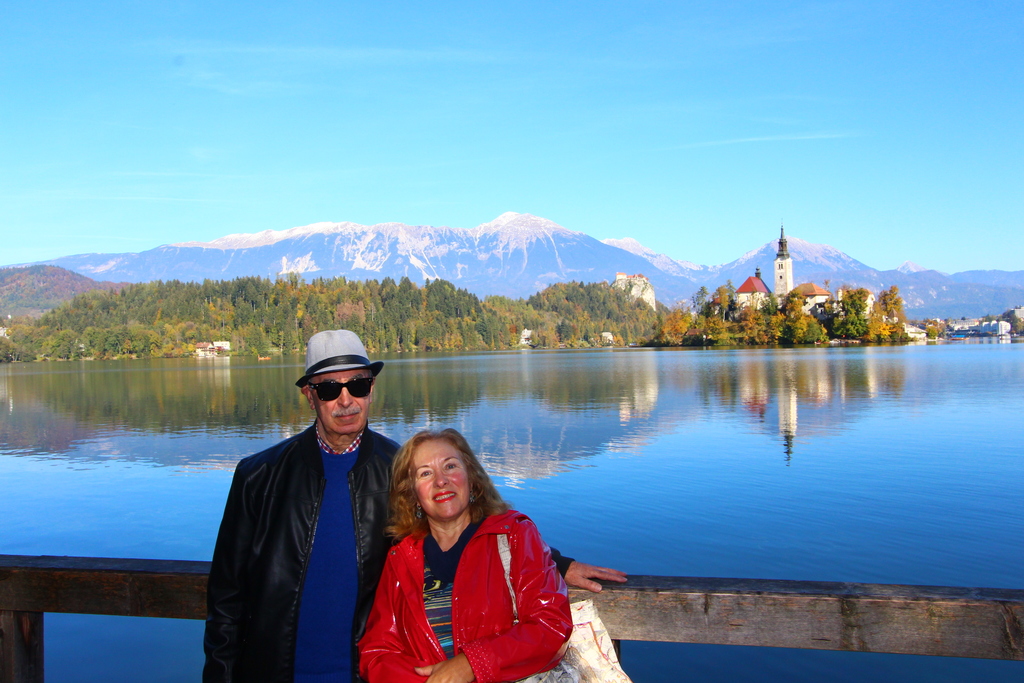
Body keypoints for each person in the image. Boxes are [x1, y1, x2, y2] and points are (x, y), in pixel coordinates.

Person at [204, 329, 625, 682]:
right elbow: (227, 596)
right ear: (309, 396)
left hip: (364, 672)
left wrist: (557, 562)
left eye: (359, 385)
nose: (346, 400)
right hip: (273, 670)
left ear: (372, 389)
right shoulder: (259, 477)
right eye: (331, 388)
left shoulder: (402, 468)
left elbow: (464, 521)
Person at [360, 428, 573, 683]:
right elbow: (377, 652)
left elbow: (550, 625)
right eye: (425, 473)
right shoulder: (402, 558)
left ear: (471, 478)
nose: (441, 480)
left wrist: (472, 664)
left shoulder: (514, 535)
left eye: (450, 466)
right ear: (413, 494)